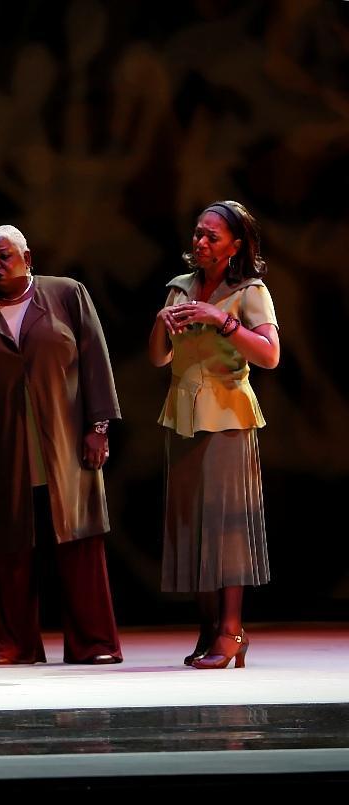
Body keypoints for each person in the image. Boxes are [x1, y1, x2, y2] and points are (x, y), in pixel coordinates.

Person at [0, 225, 123, 666]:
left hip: (63, 441)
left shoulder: (66, 294)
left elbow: (95, 359)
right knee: (11, 545)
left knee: (79, 539)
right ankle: (16, 644)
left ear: (28, 256)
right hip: (6, 445)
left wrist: (98, 427)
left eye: (4, 256)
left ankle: (95, 643)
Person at [149, 200, 279, 669]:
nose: (200, 242)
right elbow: (159, 359)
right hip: (183, 414)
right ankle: (207, 628)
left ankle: (232, 632)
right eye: (198, 233)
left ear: (235, 246)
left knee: (226, 528)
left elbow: (269, 355)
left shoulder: (249, 290)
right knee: (193, 524)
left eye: (212, 237)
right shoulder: (180, 288)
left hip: (227, 414)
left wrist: (221, 320)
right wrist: (162, 325)